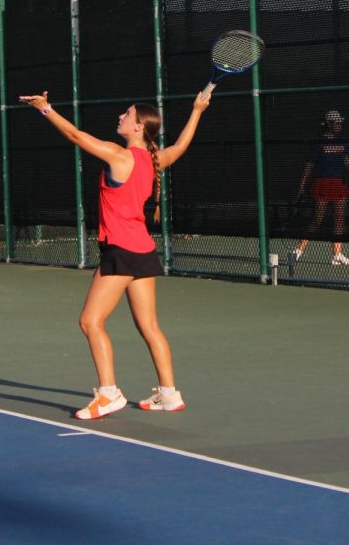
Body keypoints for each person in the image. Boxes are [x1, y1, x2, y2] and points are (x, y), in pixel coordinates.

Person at [19, 88, 211, 420]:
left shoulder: (118, 156)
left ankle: (108, 394)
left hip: (121, 251)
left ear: (138, 127)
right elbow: (180, 146)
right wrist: (197, 110)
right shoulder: (155, 159)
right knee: (149, 325)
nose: (120, 117)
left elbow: (77, 136)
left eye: (127, 114)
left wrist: (46, 109)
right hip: (143, 251)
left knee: (90, 321)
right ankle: (169, 394)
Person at [290, 110, 349, 269]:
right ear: (329, 124)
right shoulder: (319, 142)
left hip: (339, 184)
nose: (339, 125)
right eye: (336, 123)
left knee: (339, 219)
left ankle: (337, 255)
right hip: (322, 184)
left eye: (340, 123)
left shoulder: (343, 141)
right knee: (317, 220)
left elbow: (347, 161)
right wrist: (301, 186)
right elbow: (309, 165)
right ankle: (297, 251)